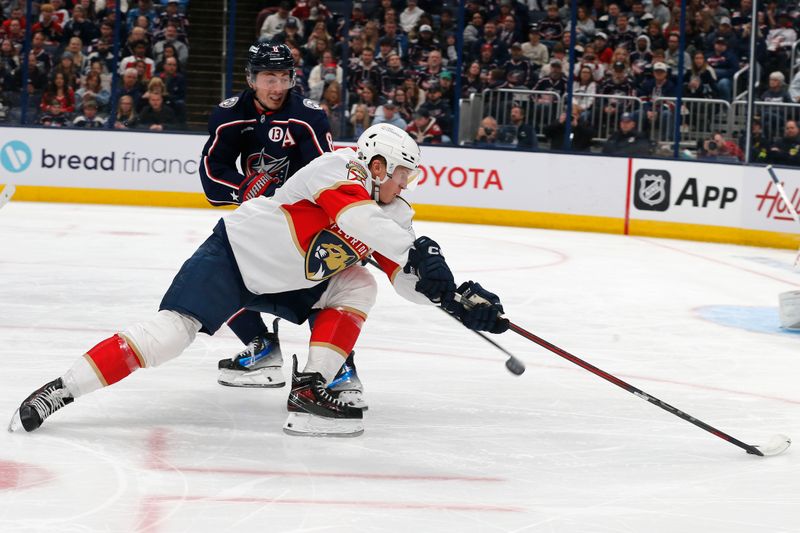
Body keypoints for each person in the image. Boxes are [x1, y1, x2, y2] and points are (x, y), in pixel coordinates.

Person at [8, 124, 508, 438]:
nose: (405, 185)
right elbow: (358, 222)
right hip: (235, 257)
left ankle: (311, 389)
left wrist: (455, 299)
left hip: (295, 280)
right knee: (168, 336)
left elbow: (404, 278)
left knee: (360, 284)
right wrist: (423, 253)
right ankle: (60, 389)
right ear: (376, 164)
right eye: (402, 173)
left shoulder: (393, 214)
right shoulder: (336, 168)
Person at [198, 41, 366, 403]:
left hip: (302, 222)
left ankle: (338, 367)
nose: (276, 87)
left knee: (321, 283)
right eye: (268, 77)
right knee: (219, 272)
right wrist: (245, 189)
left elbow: (328, 180)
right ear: (251, 78)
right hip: (260, 223)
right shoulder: (229, 114)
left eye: (284, 77)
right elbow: (212, 179)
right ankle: (261, 347)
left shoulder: (309, 116)